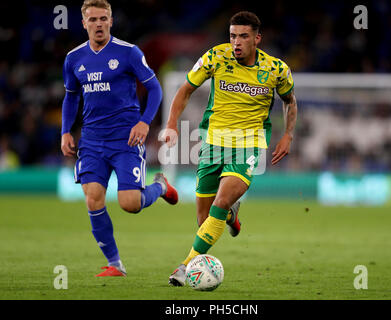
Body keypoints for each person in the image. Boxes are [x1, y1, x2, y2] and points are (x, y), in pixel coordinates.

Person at [162, 11, 298, 286]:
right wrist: (172, 124)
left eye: (243, 36)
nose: (236, 42)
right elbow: (185, 90)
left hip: (249, 144)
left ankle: (185, 267)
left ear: (257, 39)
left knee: (221, 202)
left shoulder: (276, 70)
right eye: (233, 36)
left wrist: (288, 135)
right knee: (205, 218)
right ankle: (231, 218)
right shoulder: (215, 57)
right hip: (213, 143)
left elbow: (290, 101)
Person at [60, 0, 178, 277]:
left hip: (126, 140)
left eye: (103, 18)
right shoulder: (73, 58)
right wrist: (66, 130)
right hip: (91, 141)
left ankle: (160, 186)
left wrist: (144, 122)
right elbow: (71, 96)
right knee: (93, 199)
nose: (98, 24)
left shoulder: (129, 53)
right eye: (93, 19)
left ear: (111, 21)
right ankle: (115, 264)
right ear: (84, 23)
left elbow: (155, 89)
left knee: (130, 204)